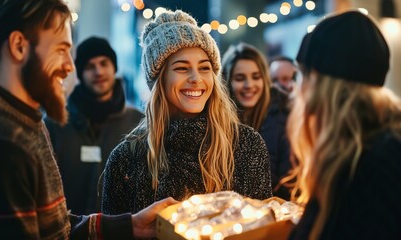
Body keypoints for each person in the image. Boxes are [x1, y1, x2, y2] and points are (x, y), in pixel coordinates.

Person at [0, 0, 177, 239]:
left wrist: (132, 226)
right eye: (61, 50)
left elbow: (53, 228)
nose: (70, 66)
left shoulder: (22, 119)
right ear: (19, 46)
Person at [101, 9, 272, 215]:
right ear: (159, 80)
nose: (196, 78)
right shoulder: (126, 159)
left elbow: (264, 228)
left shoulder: (247, 144)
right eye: (182, 68)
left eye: (204, 68)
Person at [287, 11, 401, 239]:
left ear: (317, 81)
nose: (296, 88)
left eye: (300, 75)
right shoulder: (352, 149)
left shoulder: (375, 161)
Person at [45, 36, 143, 215]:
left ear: (114, 67)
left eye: (104, 63)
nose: (98, 72)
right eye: (90, 66)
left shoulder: (138, 123)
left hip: (124, 230)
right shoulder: (56, 123)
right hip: (68, 230)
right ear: (81, 73)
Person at [221, 42, 291, 200]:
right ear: (227, 82)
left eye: (256, 77)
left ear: (265, 80)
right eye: (240, 78)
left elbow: (288, 184)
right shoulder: (218, 122)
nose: (249, 85)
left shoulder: (285, 117)